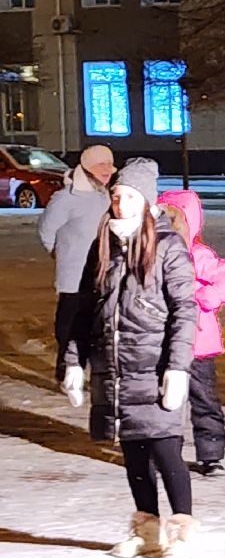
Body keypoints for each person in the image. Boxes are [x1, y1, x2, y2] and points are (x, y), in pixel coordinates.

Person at [62, 159, 199, 558]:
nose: (120, 204)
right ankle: (147, 530)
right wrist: (74, 362)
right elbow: (84, 310)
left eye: (130, 197)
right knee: (134, 453)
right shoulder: (103, 245)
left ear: (147, 202)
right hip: (116, 369)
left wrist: (177, 368)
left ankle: (183, 531)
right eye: (117, 196)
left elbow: (185, 310)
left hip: (154, 367)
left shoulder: (168, 246)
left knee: (165, 450)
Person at [157, 190, 225, 475]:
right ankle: (165, 453)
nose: (168, 227)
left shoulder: (199, 256)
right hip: (164, 343)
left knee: (204, 399)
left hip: (198, 345)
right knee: (166, 400)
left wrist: (206, 296)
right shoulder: (154, 255)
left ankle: (211, 454)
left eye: (174, 220)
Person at [37, 145, 117, 381]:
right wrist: (61, 254)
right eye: (100, 164)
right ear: (87, 167)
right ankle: (67, 370)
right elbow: (46, 230)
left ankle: (96, 371)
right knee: (70, 325)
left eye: (109, 164)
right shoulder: (67, 198)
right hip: (75, 275)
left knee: (98, 325)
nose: (107, 169)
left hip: (103, 273)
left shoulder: (108, 195)